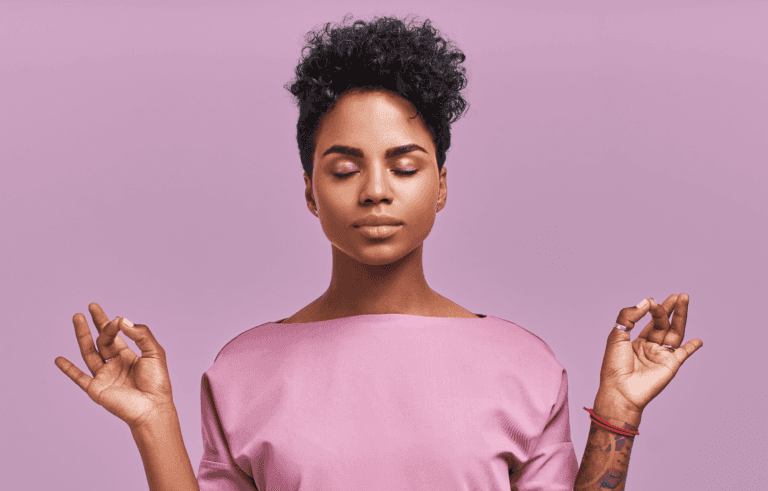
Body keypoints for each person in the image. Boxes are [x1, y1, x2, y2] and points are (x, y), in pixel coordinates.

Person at [54, 14, 704, 491]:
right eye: (343, 169)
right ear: (310, 191)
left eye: (404, 165)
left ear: (442, 185)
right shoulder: (241, 369)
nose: (375, 191)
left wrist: (618, 408)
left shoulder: (524, 364)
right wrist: (153, 420)